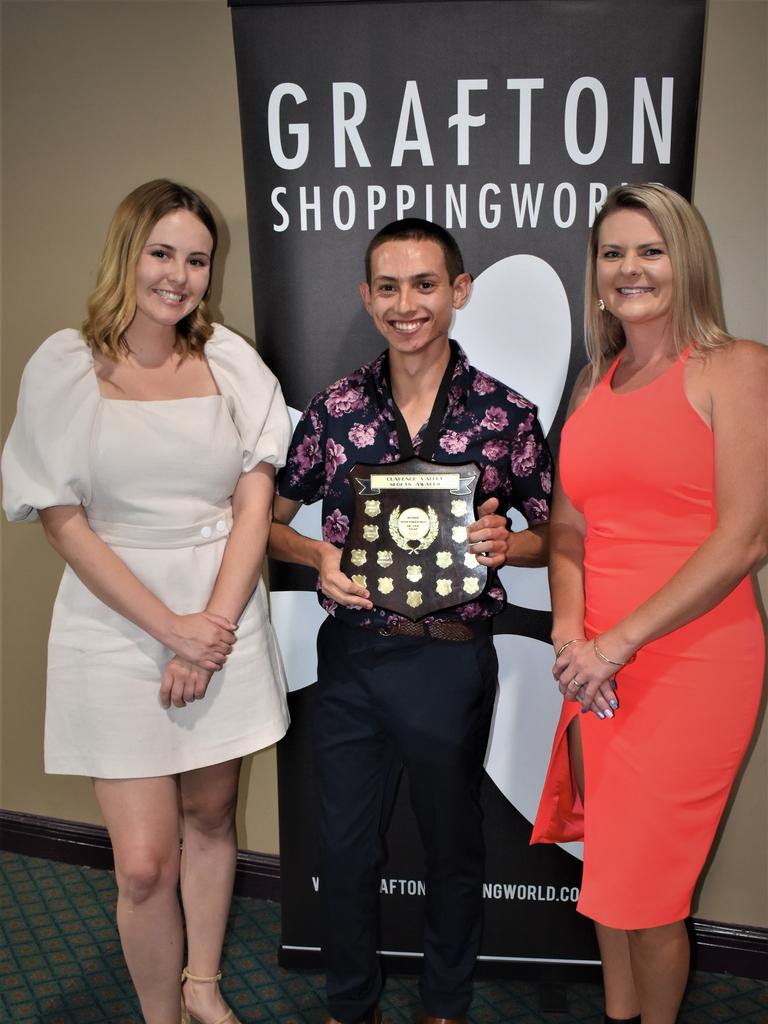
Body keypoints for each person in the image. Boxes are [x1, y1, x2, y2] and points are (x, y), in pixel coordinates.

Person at [2, 179, 292, 1024]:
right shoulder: (64, 365)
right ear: (127, 255)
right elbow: (63, 522)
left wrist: (213, 629)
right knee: (140, 865)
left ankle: (201, 986)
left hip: (222, 609)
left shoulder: (231, 362)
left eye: (196, 259)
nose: (178, 275)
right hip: (115, 629)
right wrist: (172, 632)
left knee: (210, 814)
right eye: (162, 253)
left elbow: (253, 503)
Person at [269, 218, 552, 1024]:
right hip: (354, 656)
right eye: (388, 287)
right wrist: (314, 557)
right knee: (347, 849)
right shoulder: (334, 409)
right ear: (365, 296)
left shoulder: (506, 414)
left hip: (452, 659)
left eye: (425, 284)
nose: (407, 304)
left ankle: (443, 1006)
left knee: (453, 847)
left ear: (458, 292)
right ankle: (351, 1004)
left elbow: (553, 536)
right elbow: (270, 516)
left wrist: (511, 543)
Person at [531, 184, 767, 1024]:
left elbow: (744, 539)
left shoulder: (737, 368)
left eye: (651, 250)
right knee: (611, 871)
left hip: (691, 663)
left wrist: (616, 643)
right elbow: (565, 528)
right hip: (594, 662)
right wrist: (569, 628)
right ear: (595, 276)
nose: (631, 269)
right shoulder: (595, 381)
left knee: (655, 892)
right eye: (613, 253)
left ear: (686, 260)